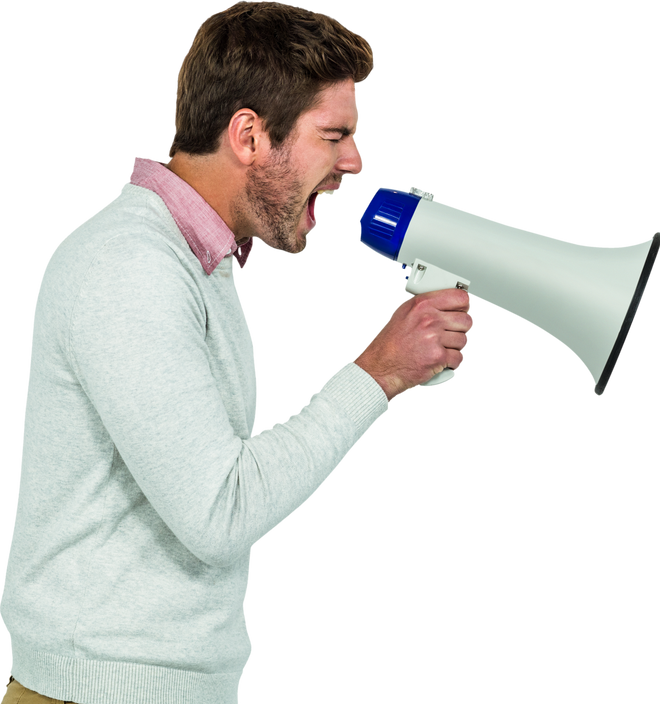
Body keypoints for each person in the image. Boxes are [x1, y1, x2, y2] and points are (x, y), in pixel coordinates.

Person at [0, 3, 473, 703]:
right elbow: (218, 511)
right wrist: (379, 373)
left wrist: (401, 369)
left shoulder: (201, 263)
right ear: (249, 134)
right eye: (334, 135)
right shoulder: (129, 265)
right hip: (101, 691)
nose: (355, 162)